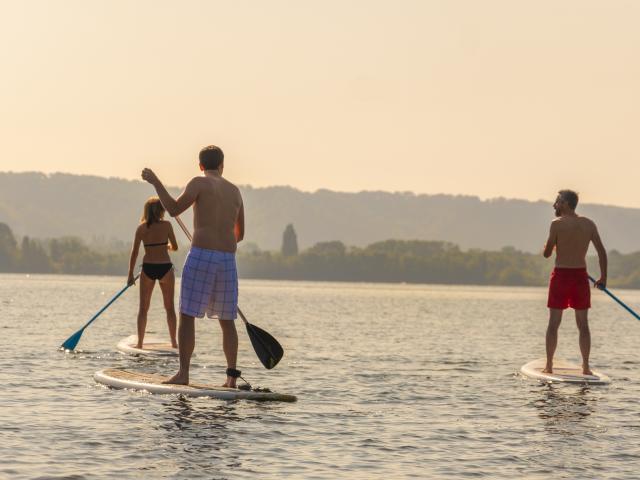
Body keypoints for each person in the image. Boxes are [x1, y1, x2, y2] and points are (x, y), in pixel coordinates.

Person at [141, 145, 245, 388]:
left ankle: (183, 373)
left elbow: (174, 209)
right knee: (227, 319)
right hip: (227, 259)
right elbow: (239, 235)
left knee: (187, 315)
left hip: (202, 256)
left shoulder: (198, 183)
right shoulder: (235, 191)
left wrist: (157, 183)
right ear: (222, 165)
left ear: (200, 165)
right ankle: (231, 378)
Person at [542, 189, 607, 375]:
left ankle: (549, 365)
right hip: (580, 276)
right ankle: (585, 367)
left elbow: (547, 255)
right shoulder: (588, 224)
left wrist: (549, 247)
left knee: (554, 323)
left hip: (561, 276)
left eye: (558, 201)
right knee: (583, 324)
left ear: (566, 203)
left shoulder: (556, 224)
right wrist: (603, 278)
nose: (555, 205)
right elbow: (602, 252)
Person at [127, 197, 179, 349]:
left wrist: (130, 274)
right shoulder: (167, 225)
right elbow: (175, 246)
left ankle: (140, 343)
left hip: (148, 268)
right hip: (165, 268)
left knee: (143, 308)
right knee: (169, 308)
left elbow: (135, 252)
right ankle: (174, 343)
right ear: (161, 211)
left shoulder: (141, 228)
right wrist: (166, 246)